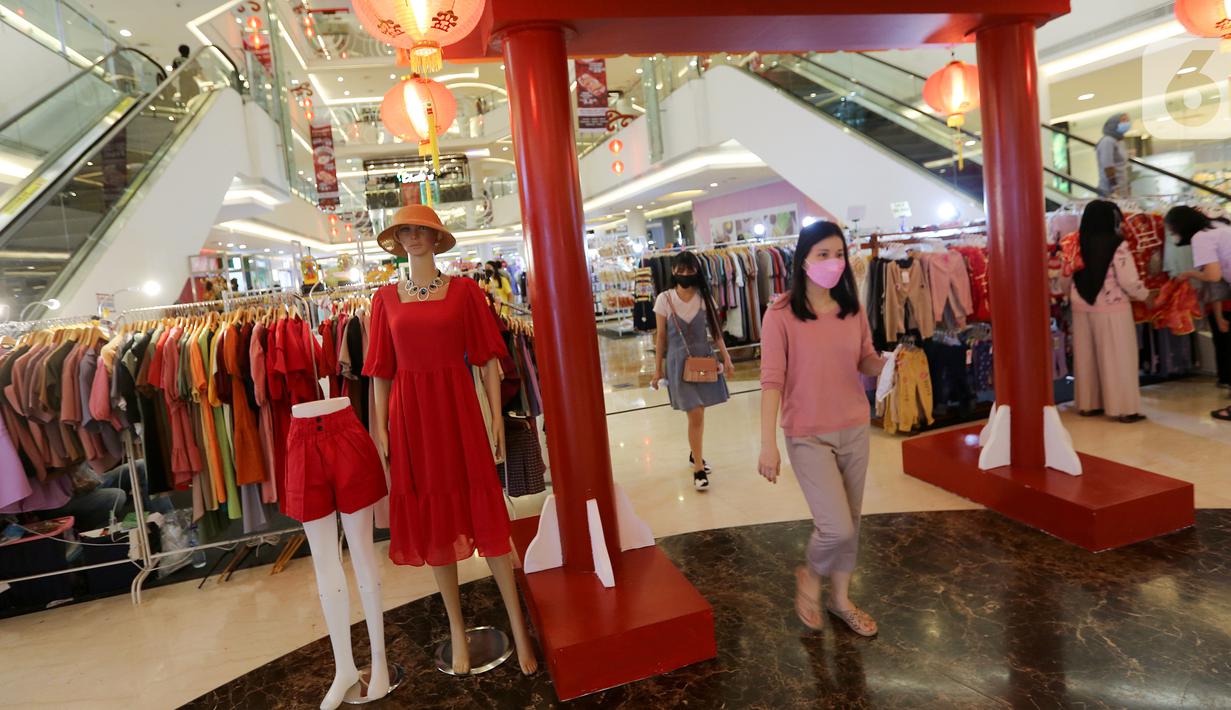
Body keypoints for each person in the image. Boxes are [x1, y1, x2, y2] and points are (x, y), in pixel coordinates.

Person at [758, 220, 885, 636]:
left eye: (838, 254)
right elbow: (771, 381)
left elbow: (864, 360)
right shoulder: (780, 315)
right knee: (836, 526)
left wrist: (887, 365)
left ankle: (841, 599)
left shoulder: (853, 310)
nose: (832, 263)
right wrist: (768, 445)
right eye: (822, 254)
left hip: (853, 426)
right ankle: (811, 574)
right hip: (807, 433)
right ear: (803, 260)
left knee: (853, 521)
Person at [652, 251, 733, 491]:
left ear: (697, 272)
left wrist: (726, 358)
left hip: (703, 360)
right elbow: (661, 338)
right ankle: (698, 468)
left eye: (690, 270)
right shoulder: (664, 300)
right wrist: (657, 370)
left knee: (699, 413)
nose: (685, 275)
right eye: (681, 270)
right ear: (673, 271)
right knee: (695, 413)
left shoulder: (705, 298)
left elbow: (717, 332)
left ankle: (694, 453)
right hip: (678, 363)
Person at [1068, 200, 1151, 423]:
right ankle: (1123, 408)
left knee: (1087, 358)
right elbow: (1128, 280)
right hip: (1112, 306)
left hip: (1080, 305)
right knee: (1118, 357)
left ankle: (1089, 404)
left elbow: (1064, 274)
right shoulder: (1117, 244)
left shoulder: (1074, 241)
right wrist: (1146, 295)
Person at [1166, 205, 1231, 421]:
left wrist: (1189, 274)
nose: (1172, 234)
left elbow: (1213, 276)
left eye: (1172, 229)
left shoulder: (1201, 238)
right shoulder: (1221, 226)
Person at [1097, 113, 1132, 197]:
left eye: (1127, 120)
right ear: (1114, 123)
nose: (1127, 123)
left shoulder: (1119, 141)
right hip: (1111, 190)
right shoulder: (1107, 141)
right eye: (1123, 120)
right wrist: (1115, 187)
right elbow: (1107, 165)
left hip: (1122, 186)